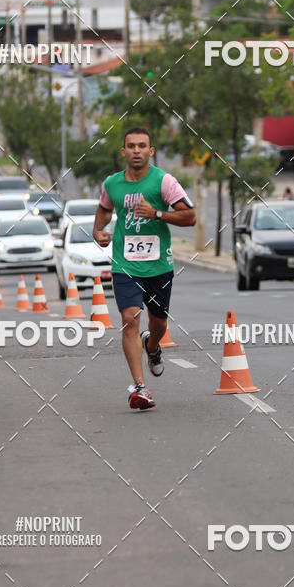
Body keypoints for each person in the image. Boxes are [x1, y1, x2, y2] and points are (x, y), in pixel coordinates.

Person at [93, 127, 196, 410]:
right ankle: (140, 387)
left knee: (159, 323)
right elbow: (104, 208)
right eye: (131, 146)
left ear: (151, 151)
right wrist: (97, 230)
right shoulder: (112, 184)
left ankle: (152, 346)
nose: (136, 150)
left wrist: (157, 213)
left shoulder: (164, 182)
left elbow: (190, 217)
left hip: (158, 265)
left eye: (142, 146)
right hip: (124, 263)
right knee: (130, 317)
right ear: (123, 151)